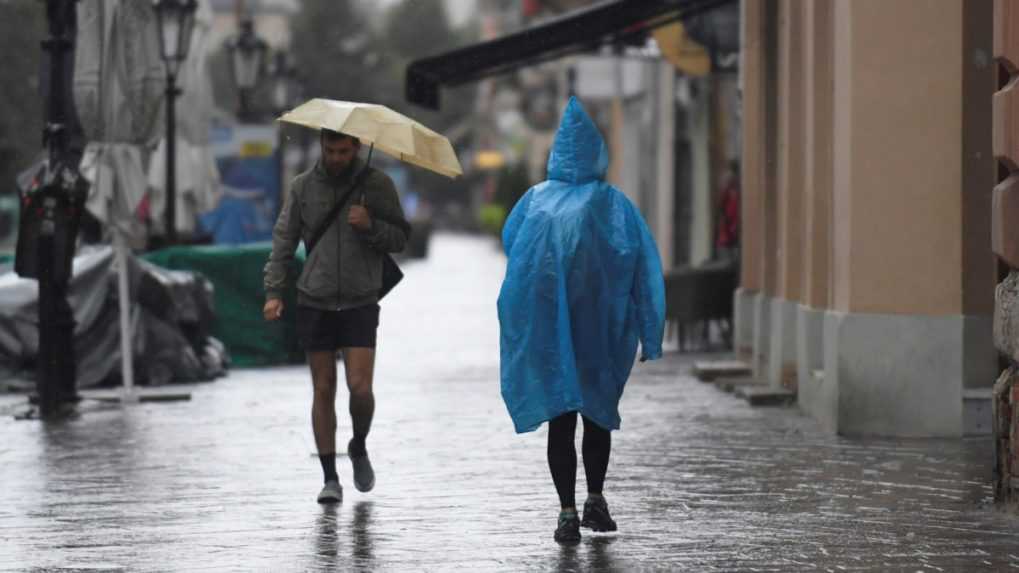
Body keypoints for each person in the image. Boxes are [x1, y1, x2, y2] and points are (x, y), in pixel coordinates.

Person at [497, 97, 666, 543]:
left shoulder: (534, 201)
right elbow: (645, 267)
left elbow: (512, 247)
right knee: (597, 415)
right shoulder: (613, 204)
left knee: (561, 419)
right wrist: (650, 332)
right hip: (600, 332)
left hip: (551, 331)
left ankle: (567, 512)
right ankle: (595, 498)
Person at [263, 129, 408, 503]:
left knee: (360, 389)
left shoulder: (378, 184)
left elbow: (400, 238)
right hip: (315, 298)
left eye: (344, 151)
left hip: (360, 299)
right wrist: (274, 291)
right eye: (331, 150)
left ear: (357, 147)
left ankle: (358, 444)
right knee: (323, 388)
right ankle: (330, 477)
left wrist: (370, 225)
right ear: (322, 147)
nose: (337, 157)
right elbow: (283, 241)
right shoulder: (302, 187)